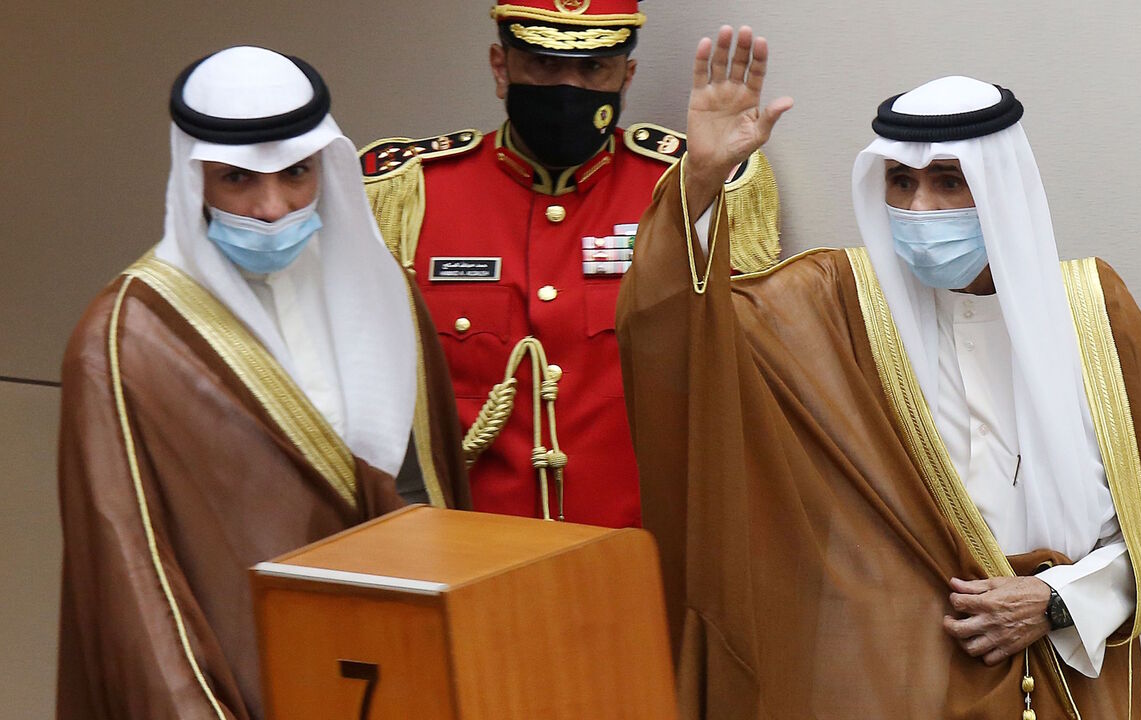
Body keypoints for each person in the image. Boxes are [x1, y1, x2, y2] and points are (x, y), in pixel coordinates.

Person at [618, 26, 1141, 719]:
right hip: (885, 676)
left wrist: (1055, 602)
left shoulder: (1091, 309)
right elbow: (679, 342)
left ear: (1001, 188)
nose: (919, 209)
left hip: (1059, 676)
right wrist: (700, 182)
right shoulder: (831, 302)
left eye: (948, 182)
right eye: (901, 182)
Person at [56, 46, 468, 720]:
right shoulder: (127, 340)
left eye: (297, 173)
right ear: (195, 181)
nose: (273, 207)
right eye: (237, 180)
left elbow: (434, 501)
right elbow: (135, 597)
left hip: (395, 678)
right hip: (243, 693)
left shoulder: (382, 291)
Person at [360, 0, 782, 528]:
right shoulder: (412, 193)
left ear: (626, 77)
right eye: (542, 64)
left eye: (592, 68)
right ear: (500, 67)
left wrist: (701, 184)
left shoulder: (684, 185)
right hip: (466, 557)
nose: (569, 88)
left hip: (632, 558)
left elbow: (736, 365)